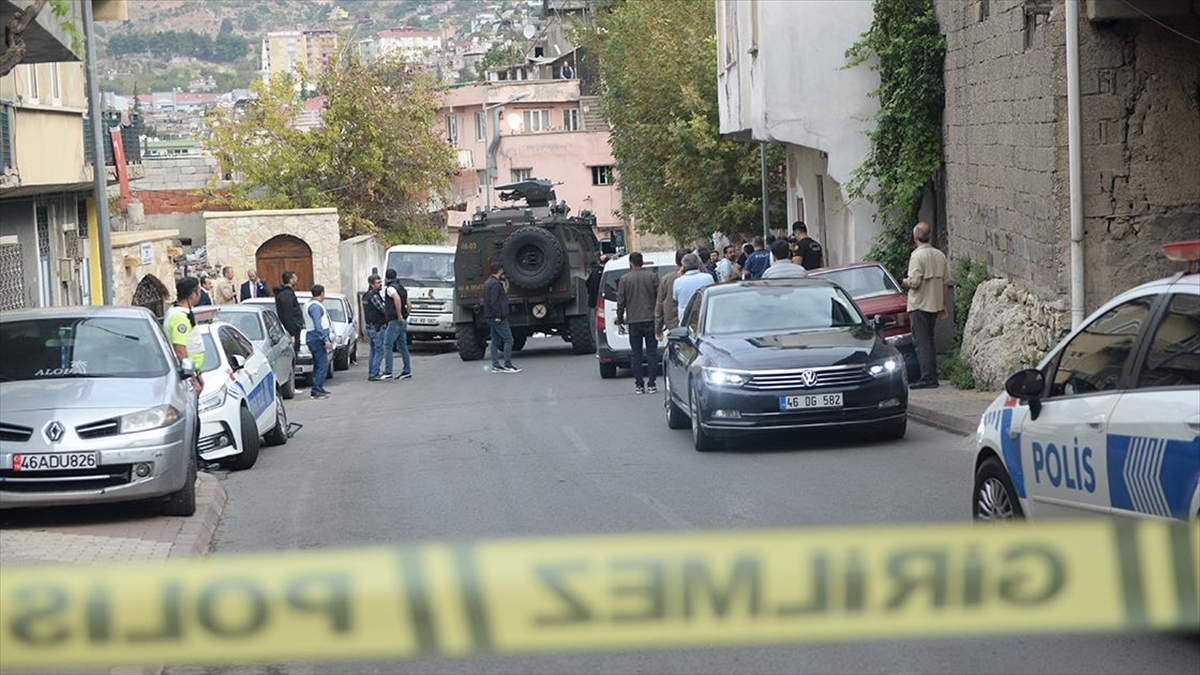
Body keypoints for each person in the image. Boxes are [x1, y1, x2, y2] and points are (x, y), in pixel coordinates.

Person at [901, 222, 949, 390]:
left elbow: (914, 283)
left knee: (922, 342)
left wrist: (904, 281)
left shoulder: (917, 256)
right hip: (934, 303)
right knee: (929, 339)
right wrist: (942, 304)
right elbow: (945, 282)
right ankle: (932, 374)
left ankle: (928, 377)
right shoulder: (939, 255)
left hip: (919, 304)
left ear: (915, 237)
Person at [616, 252, 661, 395]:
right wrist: (661, 318)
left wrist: (620, 319)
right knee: (652, 353)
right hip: (650, 319)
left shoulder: (624, 279)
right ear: (642, 262)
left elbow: (621, 301)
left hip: (633, 320)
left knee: (636, 354)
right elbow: (660, 298)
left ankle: (639, 385)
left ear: (631, 263)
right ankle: (652, 384)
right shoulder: (652, 277)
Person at [164, 277, 205, 395]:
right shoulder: (180, 317)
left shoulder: (180, 311)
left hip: (191, 371)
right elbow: (180, 350)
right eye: (199, 291)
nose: (200, 294)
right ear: (193, 294)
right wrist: (192, 379)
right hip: (185, 376)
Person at [484, 261, 520, 373]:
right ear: (499, 270)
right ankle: (508, 365)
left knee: (495, 340)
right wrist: (498, 315)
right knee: (509, 339)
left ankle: (495, 365)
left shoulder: (487, 283)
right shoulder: (495, 284)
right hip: (497, 317)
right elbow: (494, 302)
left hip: (490, 316)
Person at [381, 268, 412, 381]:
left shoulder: (390, 288)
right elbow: (409, 303)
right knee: (403, 346)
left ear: (387, 277)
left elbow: (397, 299)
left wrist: (399, 315)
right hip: (403, 320)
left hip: (394, 320)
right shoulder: (401, 287)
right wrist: (406, 314)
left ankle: (388, 371)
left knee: (387, 345)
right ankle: (407, 370)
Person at [304, 285, 334, 399]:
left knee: (318, 365)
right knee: (323, 365)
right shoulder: (315, 307)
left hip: (313, 337)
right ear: (322, 293)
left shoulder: (309, 304)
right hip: (316, 338)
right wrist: (325, 339)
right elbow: (318, 325)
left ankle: (318, 387)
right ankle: (316, 390)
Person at [654, 248, 689, 341]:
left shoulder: (667, 279)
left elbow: (659, 305)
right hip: (695, 324)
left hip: (674, 324)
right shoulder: (701, 277)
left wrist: (658, 328)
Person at [362, 274, 390, 382]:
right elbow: (383, 309)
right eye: (378, 283)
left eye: (380, 282)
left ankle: (373, 371)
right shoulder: (374, 296)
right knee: (379, 350)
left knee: (373, 350)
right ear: (371, 284)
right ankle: (374, 373)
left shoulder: (366, 295)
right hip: (376, 326)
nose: (380, 284)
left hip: (370, 326)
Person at [673, 253, 714, 324]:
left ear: (683, 266)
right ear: (698, 263)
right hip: (705, 316)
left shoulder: (678, 281)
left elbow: (675, 298)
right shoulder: (708, 277)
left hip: (685, 319)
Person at [273, 270, 304, 356]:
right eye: (294, 278)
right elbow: (288, 314)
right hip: (291, 331)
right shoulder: (286, 295)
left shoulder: (287, 293)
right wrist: (292, 334)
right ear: (290, 280)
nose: (296, 279)